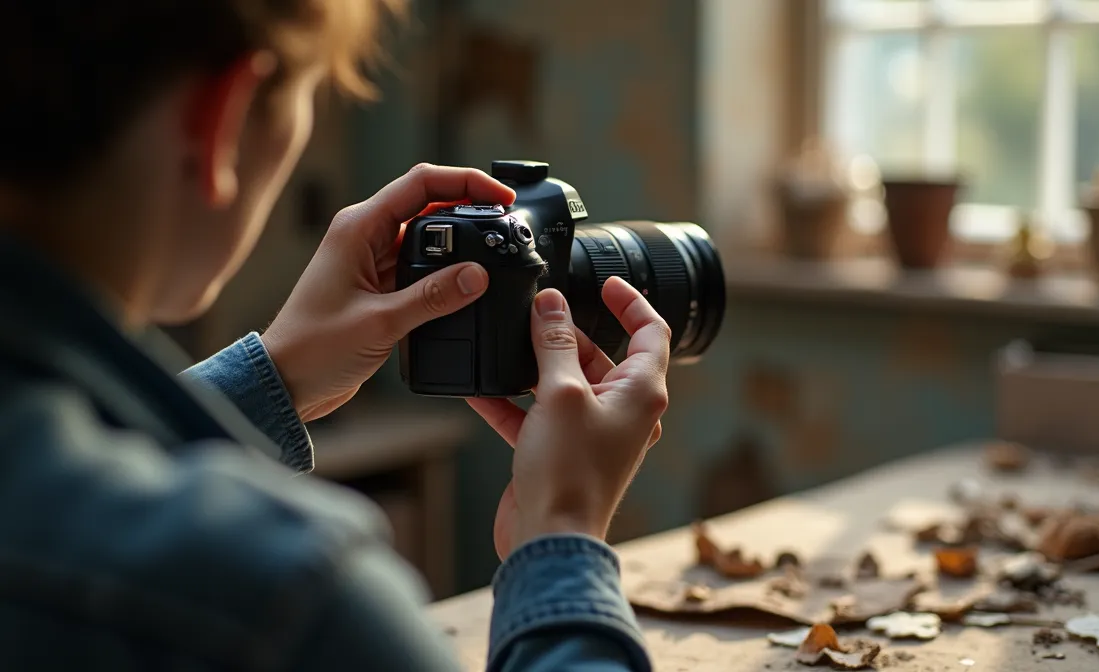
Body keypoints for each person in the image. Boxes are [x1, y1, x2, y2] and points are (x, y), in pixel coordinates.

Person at [0, 2, 666, 671]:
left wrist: (275, 377)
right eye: (307, 97)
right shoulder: (283, 601)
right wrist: (562, 528)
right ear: (220, 120)